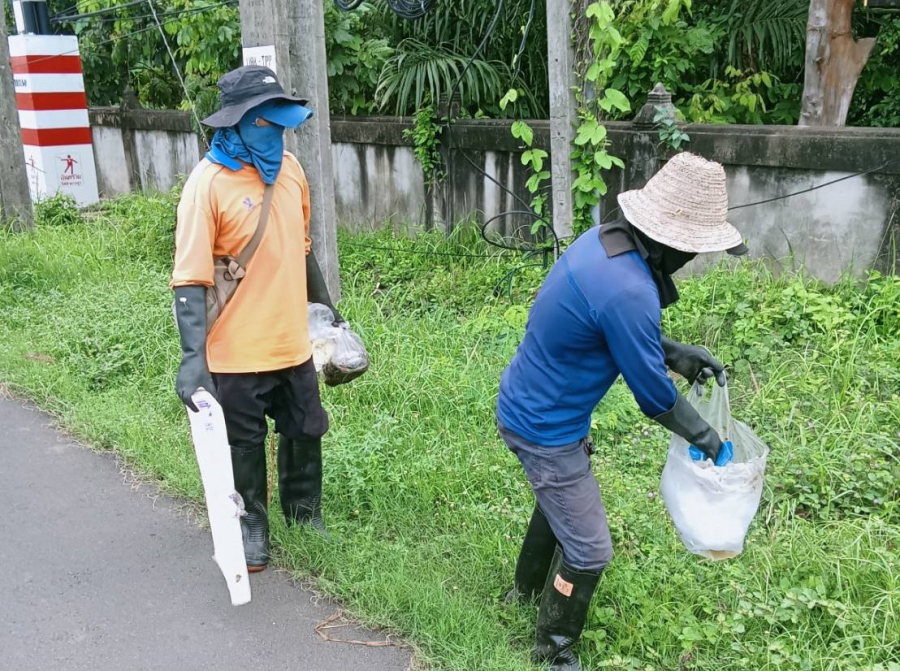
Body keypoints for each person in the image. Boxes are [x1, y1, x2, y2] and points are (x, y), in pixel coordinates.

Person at [496, 152, 749, 670]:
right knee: (590, 550)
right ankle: (555, 648)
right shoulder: (630, 289)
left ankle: (522, 594)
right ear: (672, 244)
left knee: (559, 504)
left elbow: (616, 330)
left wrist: (678, 353)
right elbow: (654, 397)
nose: (694, 260)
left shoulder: (604, 243)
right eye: (694, 250)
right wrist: (711, 442)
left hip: (530, 402)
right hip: (546, 428)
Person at [171, 65, 343, 573]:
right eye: (265, 122)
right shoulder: (207, 185)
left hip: (292, 341)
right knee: (243, 444)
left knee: (306, 428)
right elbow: (190, 280)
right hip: (236, 350)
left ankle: (303, 514)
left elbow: (302, 248)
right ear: (237, 124)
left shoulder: (290, 170)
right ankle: (252, 527)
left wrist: (329, 311)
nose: (277, 132)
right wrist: (192, 360)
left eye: (280, 122)